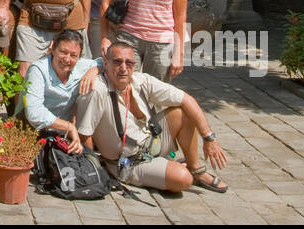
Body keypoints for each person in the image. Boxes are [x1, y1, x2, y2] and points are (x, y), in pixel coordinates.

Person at [76, 37, 228, 192]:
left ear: (134, 65)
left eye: (129, 63)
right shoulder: (97, 90)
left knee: (183, 112)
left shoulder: (140, 80)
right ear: (105, 63)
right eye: (117, 62)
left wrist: (209, 138)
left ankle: (196, 169)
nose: (123, 68)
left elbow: (187, 99)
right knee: (183, 179)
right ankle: (176, 169)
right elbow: (84, 135)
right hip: (128, 163)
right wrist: (94, 168)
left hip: (151, 142)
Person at [22, 29, 101, 154]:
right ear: (53, 48)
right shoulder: (38, 70)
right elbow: (34, 113)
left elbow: (103, 62)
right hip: (37, 131)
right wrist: (69, 127)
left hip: (67, 134)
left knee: (99, 85)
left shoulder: (81, 66)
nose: (67, 59)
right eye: (63, 52)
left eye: (73, 55)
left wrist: (95, 70)